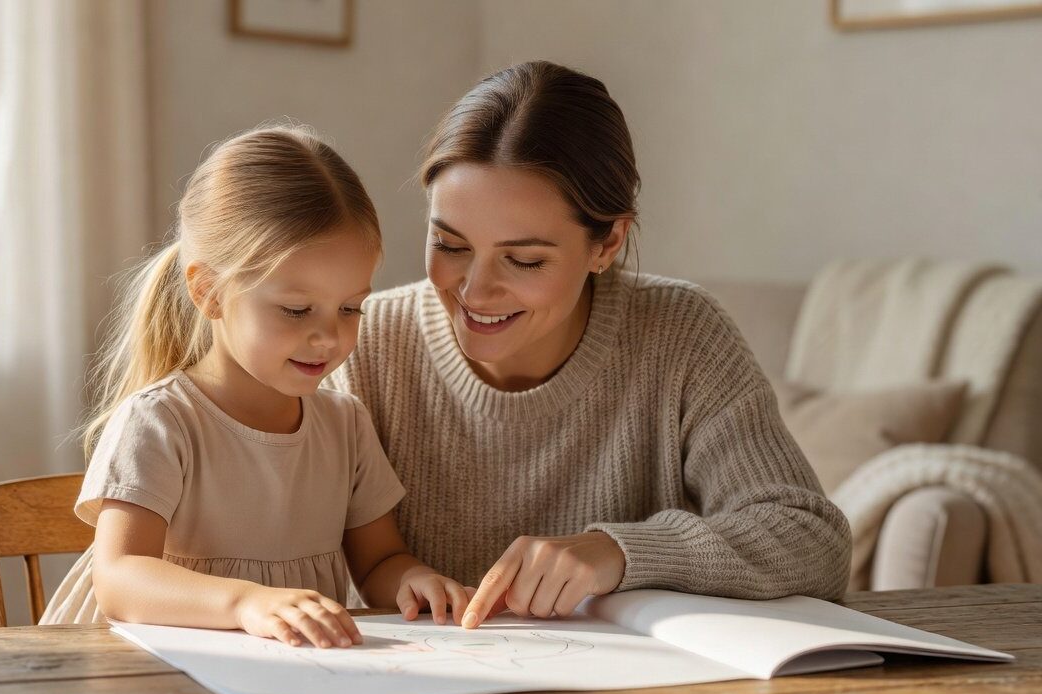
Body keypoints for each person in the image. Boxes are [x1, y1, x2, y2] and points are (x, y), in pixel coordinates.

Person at [323, 61, 852, 629]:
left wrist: (619, 552)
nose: (474, 290)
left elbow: (811, 537)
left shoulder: (681, 333)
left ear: (608, 244)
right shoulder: (367, 341)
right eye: (449, 245)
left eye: (524, 260)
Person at [40, 126, 470, 647]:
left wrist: (412, 580)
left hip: (291, 678)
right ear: (209, 292)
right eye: (296, 309)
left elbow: (379, 560)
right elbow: (120, 577)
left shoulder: (346, 424)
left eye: (351, 307)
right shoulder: (160, 421)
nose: (329, 336)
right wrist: (247, 602)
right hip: (155, 674)